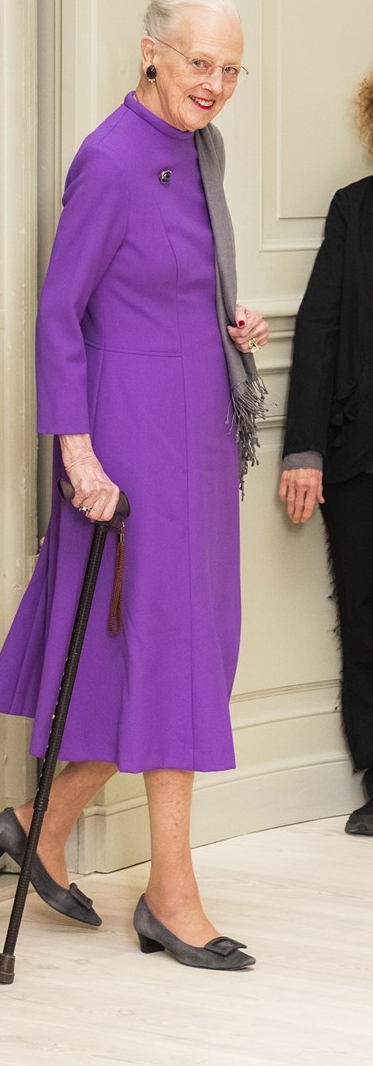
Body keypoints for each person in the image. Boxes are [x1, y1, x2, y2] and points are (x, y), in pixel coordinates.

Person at [0, 0, 268, 970]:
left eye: (230, 69)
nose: (215, 84)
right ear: (150, 51)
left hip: (195, 432)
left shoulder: (201, 149)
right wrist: (75, 452)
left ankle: (38, 825)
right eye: (199, 63)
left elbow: (178, 274)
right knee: (162, 649)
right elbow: (59, 315)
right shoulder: (105, 161)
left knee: (162, 652)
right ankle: (171, 895)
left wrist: (226, 322)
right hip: (125, 444)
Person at [279, 71, 373, 836]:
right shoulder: (355, 209)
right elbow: (318, 332)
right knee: (368, 620)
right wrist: (302, 448)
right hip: (360, 456)